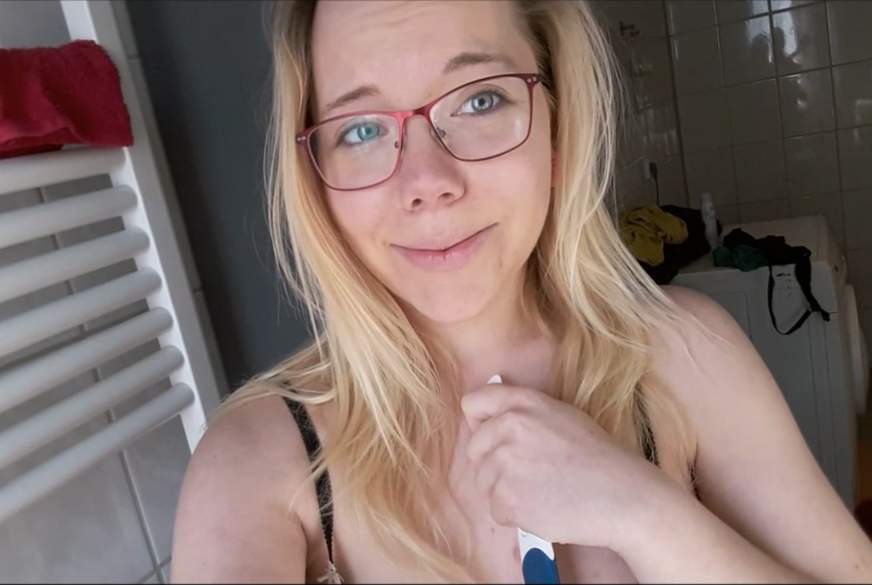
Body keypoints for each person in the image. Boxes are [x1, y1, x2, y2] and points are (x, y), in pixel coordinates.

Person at [170, 1, 872, 582]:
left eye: (479, 100)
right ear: (316, 180)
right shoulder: (257, 464)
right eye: (360, 129)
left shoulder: (688, 355)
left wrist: (646, 513)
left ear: (557, 130)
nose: (428, 182)